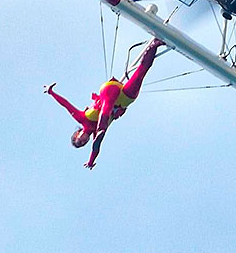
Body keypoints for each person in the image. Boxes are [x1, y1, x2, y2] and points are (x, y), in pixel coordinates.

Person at [44, 38, 165, 169]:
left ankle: (103, 124)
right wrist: (90, 162)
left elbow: (65, 104)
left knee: (104, 115)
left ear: (77, 134)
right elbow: (96, 149)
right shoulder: (96, 137)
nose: (84, 141)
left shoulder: (81, 118)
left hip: (109, 92)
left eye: (80, 140)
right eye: (84, 143)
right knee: (141, 73)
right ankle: (154, 45)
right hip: (123, 100)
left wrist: (51, 93)